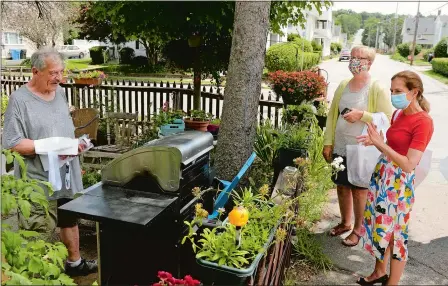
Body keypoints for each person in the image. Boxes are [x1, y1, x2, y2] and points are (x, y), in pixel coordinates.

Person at [2, 47, 97, 276]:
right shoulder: (20, 100)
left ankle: (74, 263)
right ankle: (40, 275)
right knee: (37, 226)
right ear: (35, 71)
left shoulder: (60, 92)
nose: (59, 78)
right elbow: (12, 143)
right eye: (54, 73)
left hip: (65, 171)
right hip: (37, 180)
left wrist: (75, 145)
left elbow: (60, 125)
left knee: (69, 216)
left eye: (61, 72)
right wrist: (50, 146)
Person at [355, 71, 434, 285]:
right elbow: (395, 146)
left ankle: (393, 282)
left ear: (414, 92)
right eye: (391, 91)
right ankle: (379, 272)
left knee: (396, 234)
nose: (393, 95)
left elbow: (409, 164)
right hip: (383, 175)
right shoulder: (399, 114)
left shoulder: (423, 122)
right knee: (379, 226)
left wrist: (381, 145)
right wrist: (379, 143)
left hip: (398, 183)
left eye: (398, 91)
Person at [323, 46, 393, 247]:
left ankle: (358, 229)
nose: (353, 61)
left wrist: (362, 115)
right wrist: (328, 142)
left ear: (369, 63)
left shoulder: (376, 88)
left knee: (359, 190)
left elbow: (387, 118)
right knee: (342, 186)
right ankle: (345, 223)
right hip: (341, 145)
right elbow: (332, 115)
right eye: (352, 57)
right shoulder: (344, 84)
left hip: (362, 149)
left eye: (359, 58)